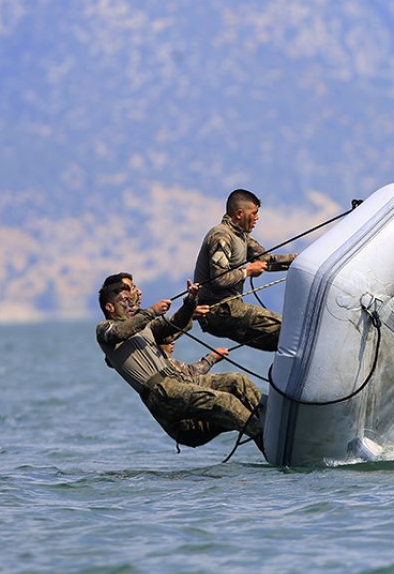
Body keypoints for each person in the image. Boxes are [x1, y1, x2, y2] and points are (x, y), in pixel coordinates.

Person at [95, 277, 264, 451]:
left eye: (130, 299)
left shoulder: (144, 326)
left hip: (178, 380)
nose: (130, 303)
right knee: (225, 401)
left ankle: (271, 420)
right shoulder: (105, 329)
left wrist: (190, 301)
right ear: (109, 307)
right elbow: (119, 333)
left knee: (237, 381)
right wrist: (152, 311)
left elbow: (176, 324)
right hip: (161, 391)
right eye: (124, 301)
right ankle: (265, 436)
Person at [192, 189, 295, 351]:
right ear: (240, 213)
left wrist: (302, 260)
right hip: (218, 310)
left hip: (228, 311)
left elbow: (267, 261)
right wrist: (247, 271)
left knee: (279, 341)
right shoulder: (221, 236)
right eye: (254, 213)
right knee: (291, 331)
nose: (257, 218)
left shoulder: (241, 237)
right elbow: (219, 279)